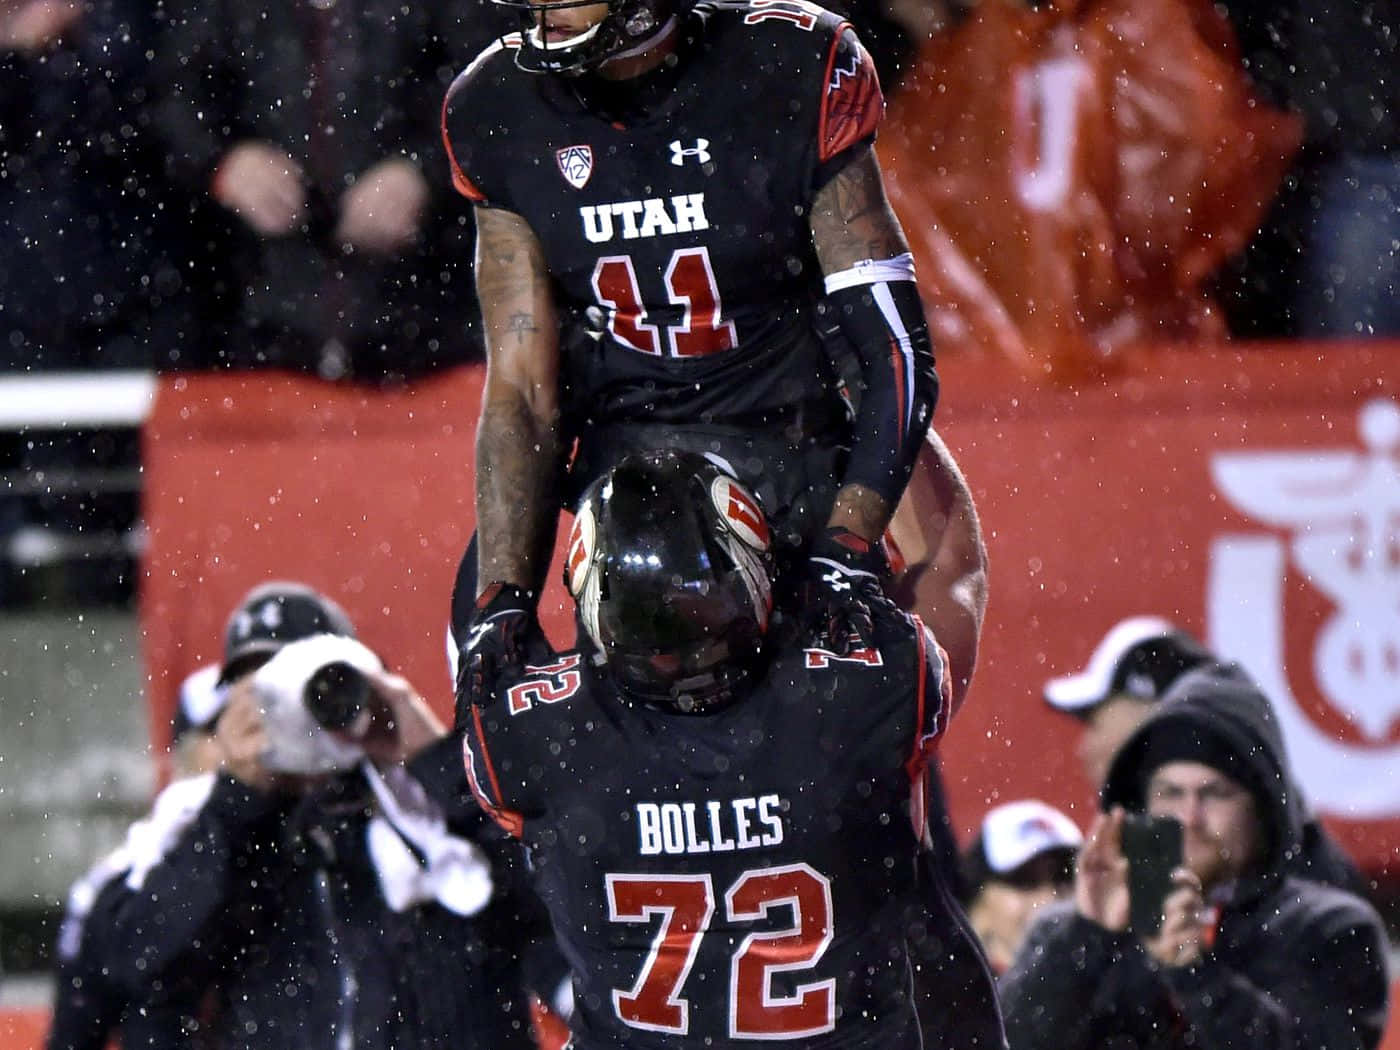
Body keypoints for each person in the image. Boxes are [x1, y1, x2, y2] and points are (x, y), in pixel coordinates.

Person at [442, 0, 941, 694]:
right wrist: (504, 595)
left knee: (867, 712)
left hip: (792, 438)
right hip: (628, 479)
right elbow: (523, 392)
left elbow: (891, 344)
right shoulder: (495, 102)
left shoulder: (788, 63)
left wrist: (848, 543)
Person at [460, 449, 1003, 1048]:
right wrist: (876, 403)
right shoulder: (856, 701)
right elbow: (952, 564)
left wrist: (539, 442)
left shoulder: (541, 741)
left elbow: (485, 627)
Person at [78, 581, 543, 1050]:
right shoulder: (218, 831)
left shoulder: (417, 812)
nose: (287, 716)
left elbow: (551, 906)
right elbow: (137, 963)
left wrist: (435, 760)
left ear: (357, 689)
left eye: (310, 691)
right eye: (263, 695)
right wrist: (236, 801)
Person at [1000, 663, 1390, 1050]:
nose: (1189, 817)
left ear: (1262, 809)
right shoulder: (1069, 929)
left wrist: (1194, 973)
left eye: (1214, 794)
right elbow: (1007, 1042)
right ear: (1142, 806)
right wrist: (1086, 934)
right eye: (1170, 793)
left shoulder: (1331, 930)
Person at [150, 0, 490, 384]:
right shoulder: (223, 14)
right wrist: (223, 164)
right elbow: (166, 102)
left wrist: (425, 173)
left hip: (429, 338)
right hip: (249, 340)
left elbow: (491, 98)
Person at [1043, 615, 1366, 894]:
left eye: (1095, 722)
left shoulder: (1301, 892)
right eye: (1171, 793)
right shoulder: (1125, 881)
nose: (1084, 749)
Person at [958, 800, 1081, 975]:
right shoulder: (940, 994)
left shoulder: (1112, 987)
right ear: (978, 903)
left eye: (1063, 881)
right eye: (1025, 882)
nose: (1047, 900)